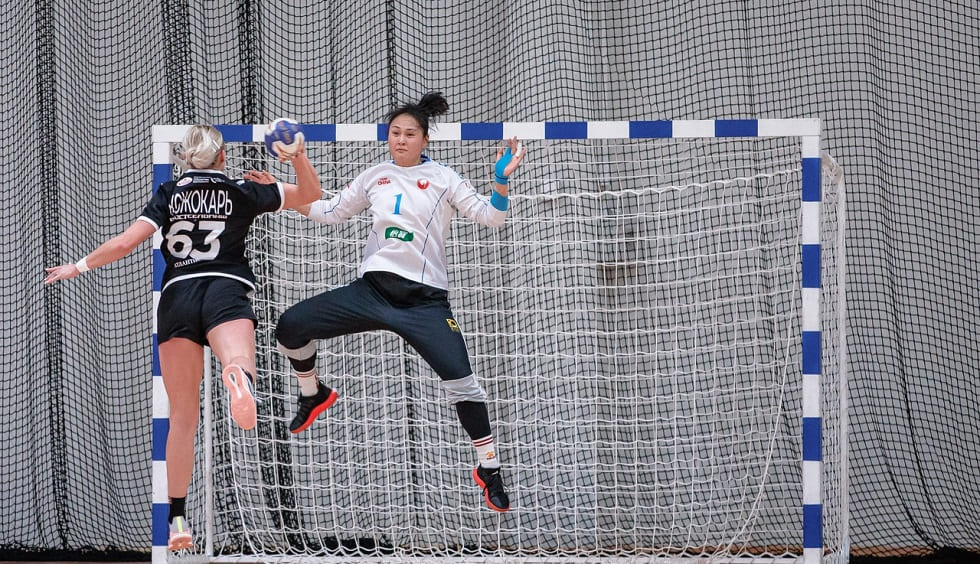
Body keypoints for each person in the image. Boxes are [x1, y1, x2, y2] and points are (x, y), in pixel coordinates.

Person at [44, 124, 322, 550]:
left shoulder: (169, 193)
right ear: (223, 157)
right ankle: (239, 377)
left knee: (182, 417)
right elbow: (311, 195)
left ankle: (177, 518)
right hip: (225, 287)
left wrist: (77, 266)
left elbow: (125, 243)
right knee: (237, 359)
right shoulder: (243, 190)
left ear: (185, 159)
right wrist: (297, 156)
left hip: (177, 298)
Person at [270, 92, 525, 513]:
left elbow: (492, 217)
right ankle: (312, 394)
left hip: (424, 303)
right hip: (372, 292)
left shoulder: (444, 178)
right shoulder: (376, 175)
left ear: (425, 139)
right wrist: (282, 193)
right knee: (290, 327)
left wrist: (500, 181)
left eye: (410, 134)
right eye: (395, 133)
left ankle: (489, 468)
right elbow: (330, 211)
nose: (401, 140)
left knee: (464, 384)